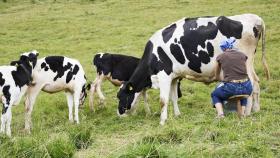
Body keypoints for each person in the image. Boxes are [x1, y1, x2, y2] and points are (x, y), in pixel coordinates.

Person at [211, 37, 253, 118]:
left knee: (215, 94)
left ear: (224, 48)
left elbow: (216, 73)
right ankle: (242, 113)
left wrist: (220, 79)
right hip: (247, 87)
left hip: (231, 87)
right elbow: (246, 70)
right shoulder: (243, 55)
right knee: (243, 94)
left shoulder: (221, 56)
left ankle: (220, 114)